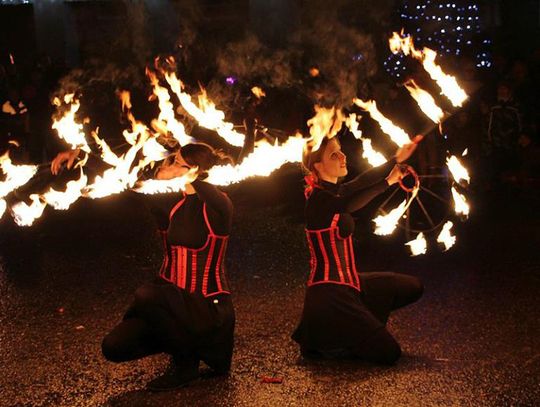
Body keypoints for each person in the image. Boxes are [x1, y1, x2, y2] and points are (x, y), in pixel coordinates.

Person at [51, 143, 235, 391]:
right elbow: (124, 176)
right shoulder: (171, 203)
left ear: (193, 170)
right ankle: (180, 345)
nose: (165, 164)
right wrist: (82, 157)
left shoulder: (218, 206)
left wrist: (194, 175)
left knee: (148, 294)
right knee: (114, 346)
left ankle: (187, 364)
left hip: (207, 309)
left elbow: (208, 189)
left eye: (174, 161)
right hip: (171, 308)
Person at [292, 135, 423, 365]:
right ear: (317, 166)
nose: (343, 157)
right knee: (389, 353)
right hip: (330, 296)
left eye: (341, 151)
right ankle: (334, 342)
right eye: (334, 154)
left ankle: (357, 326)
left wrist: (395, 159)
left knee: (412, 287)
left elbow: (362, 182)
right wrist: (387, 183)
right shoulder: (317, 201)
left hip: (351, 284)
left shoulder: (334, 190)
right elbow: (348, 204)